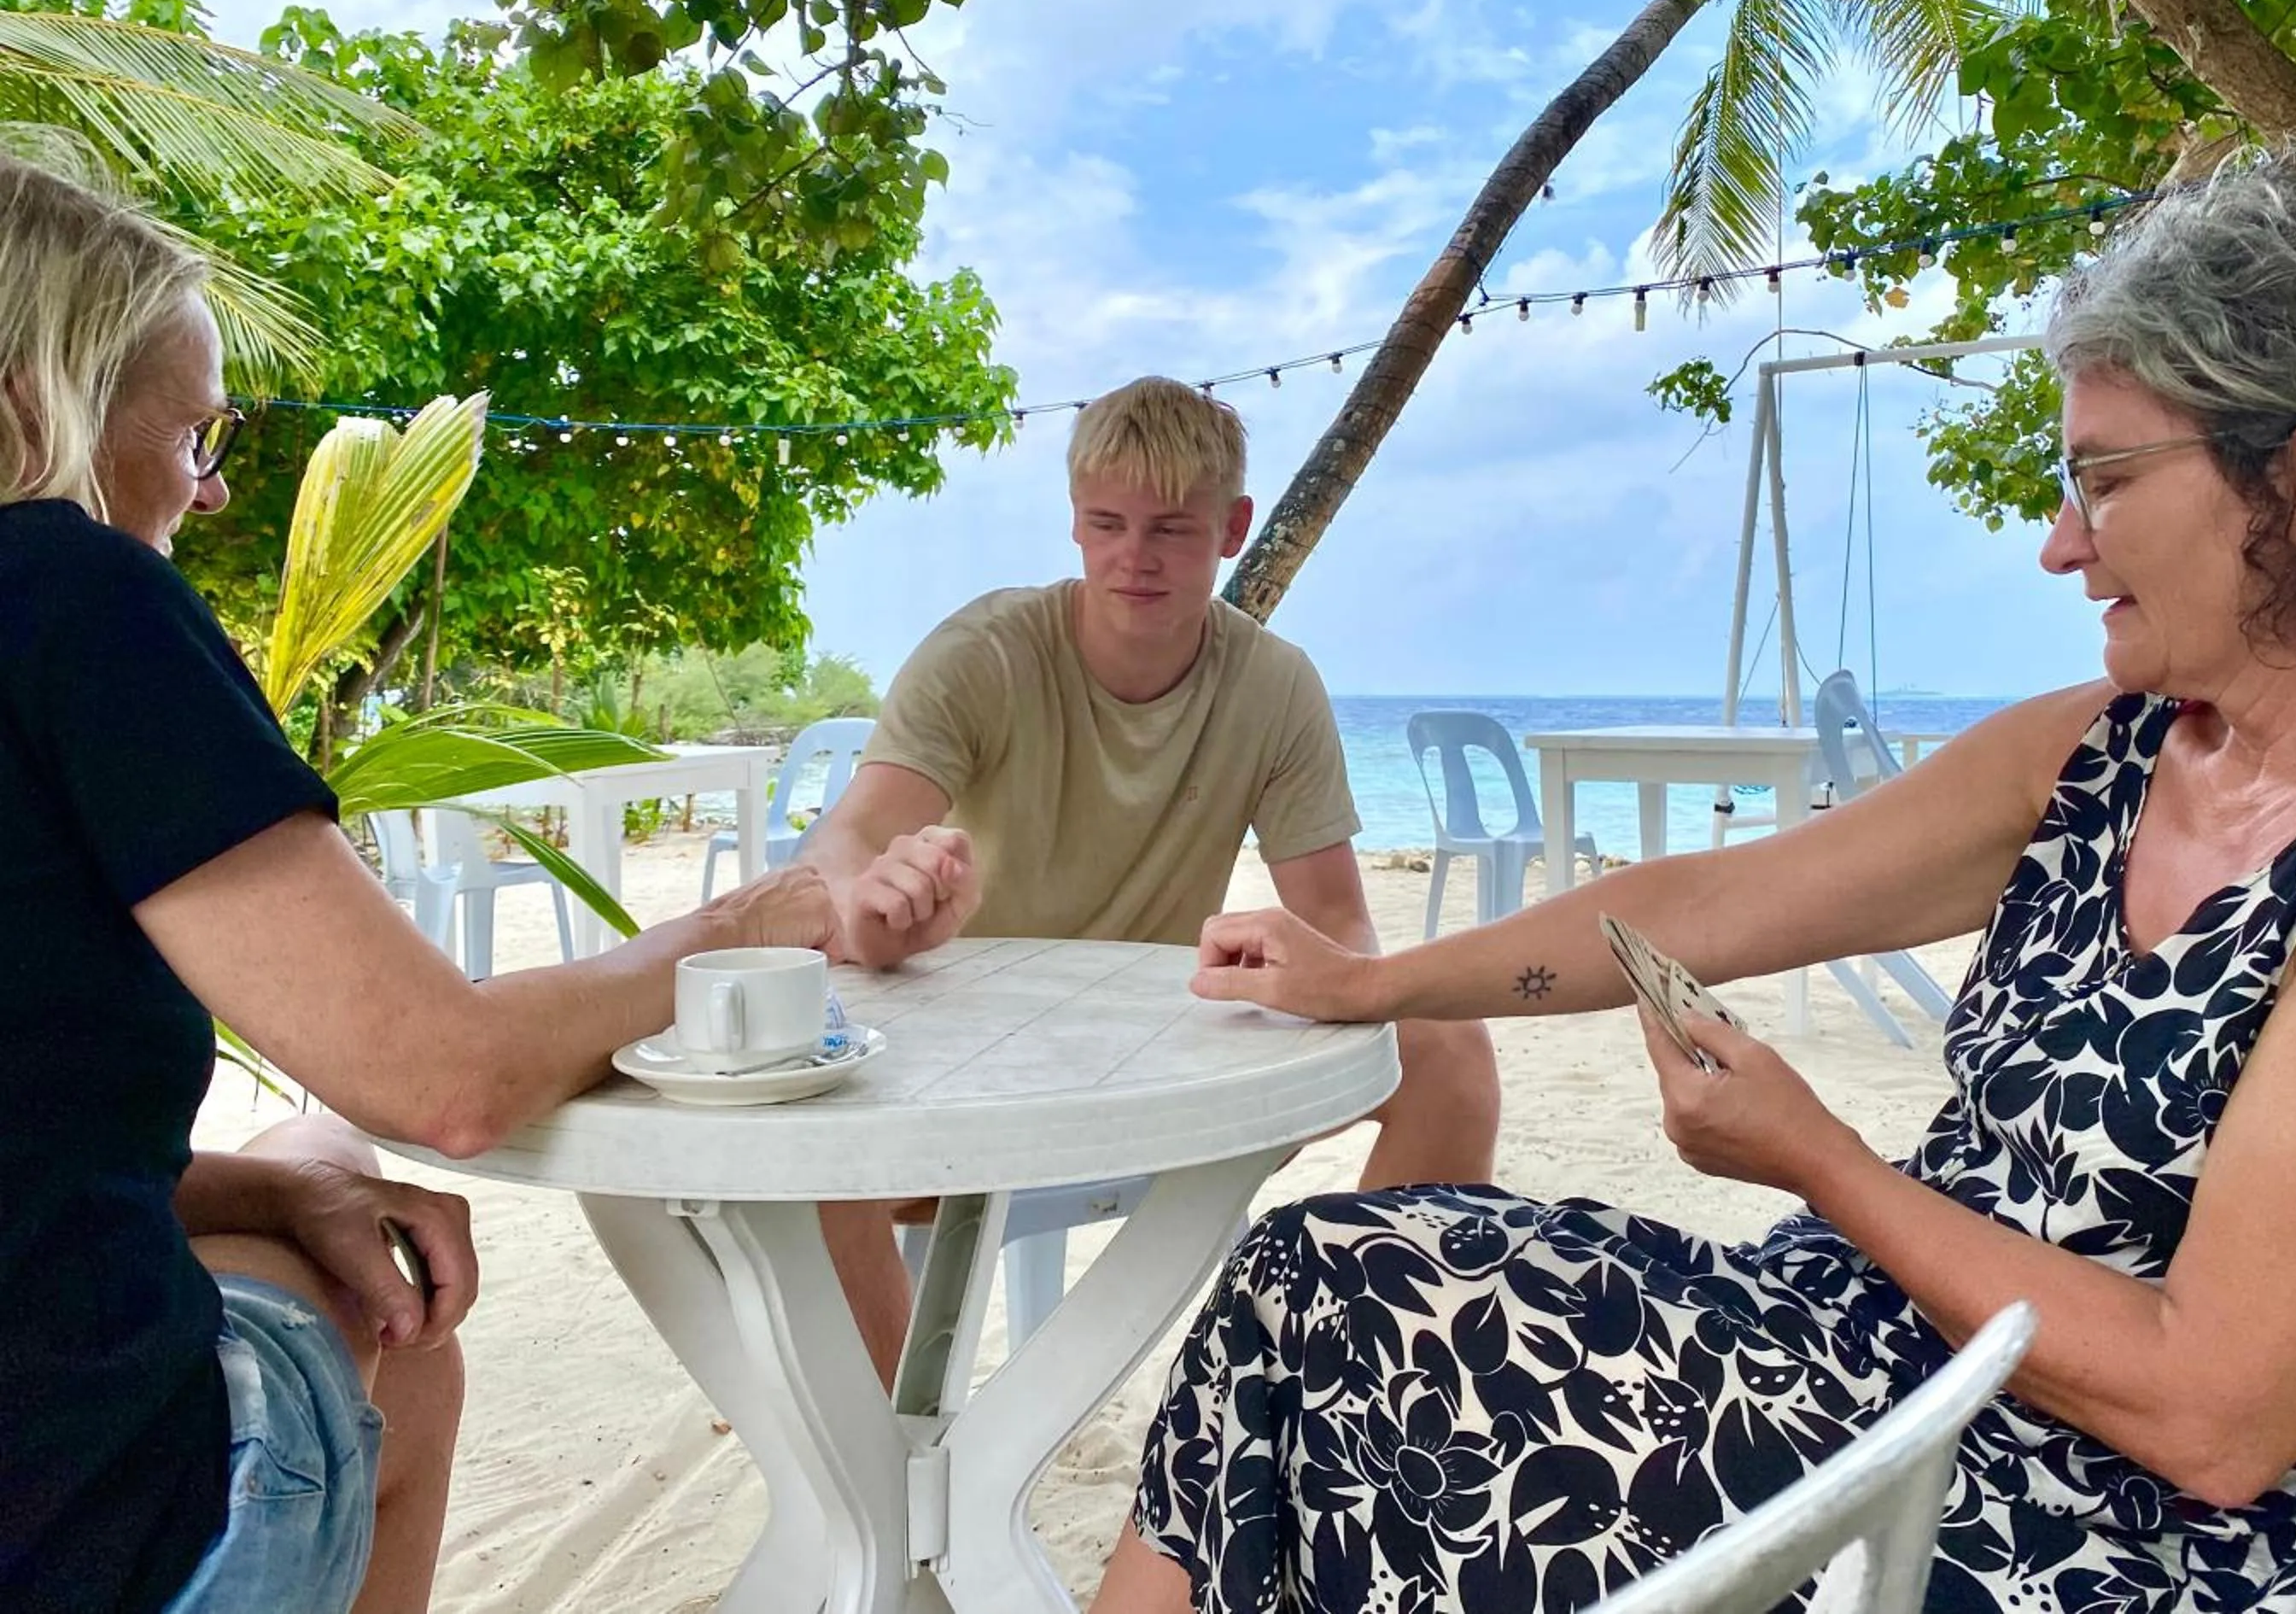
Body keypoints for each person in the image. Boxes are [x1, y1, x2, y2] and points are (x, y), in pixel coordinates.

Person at [1090, 148, 2296, 1614]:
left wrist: (1820, 1160)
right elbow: (1719, 907)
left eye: (2105, 480)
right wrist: (1375, 982)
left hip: (2088, 1534)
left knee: (1346, 1330)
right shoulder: (2107, 752)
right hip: (1862, 1362)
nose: (2061, 545)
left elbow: (2214, 1414)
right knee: (1325, 1277)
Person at [0, 157, 840, 1614]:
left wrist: (274, 1185)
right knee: (413, 1339)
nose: (207, 489)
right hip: (80, 1527)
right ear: (40, 392)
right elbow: (444, 1078)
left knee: (323, 1175)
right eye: (198, 434)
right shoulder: (71, 592)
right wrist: (745, 921)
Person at [793, 377, 1502, 1380]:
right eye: (1108, 523)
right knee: (802, 1141)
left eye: (1172, 528)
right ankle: (909, 1468)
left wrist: (1311, 962)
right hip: (958, 1057)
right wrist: (871, 908)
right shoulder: (985, 654)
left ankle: (1355, 1383)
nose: (1136, 557)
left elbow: (1341, 925)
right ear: (1074, 525)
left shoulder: (1273, 683)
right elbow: (845, 841)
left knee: (1448, 1050)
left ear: (1231, 528)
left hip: (1167, 1052)